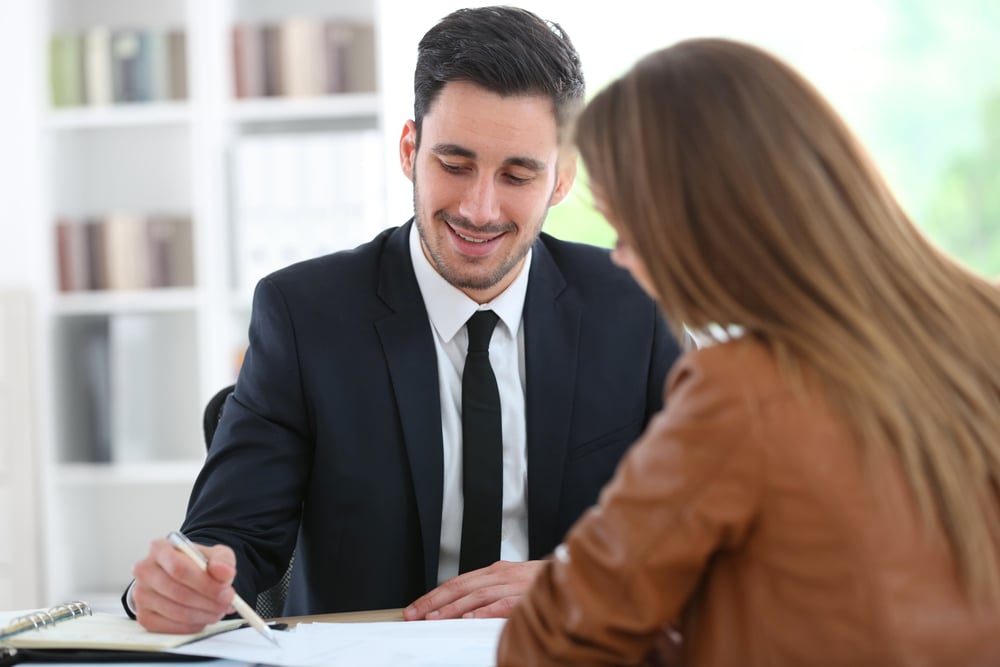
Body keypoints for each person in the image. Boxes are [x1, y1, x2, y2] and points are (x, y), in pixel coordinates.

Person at [125, 6, 680, 634]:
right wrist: (187, 585)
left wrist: (583, 581)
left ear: (562, 178)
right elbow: (229, 540)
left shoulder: (639, 303)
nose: (479, 208)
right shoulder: (304, 315)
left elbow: (706, 523)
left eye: (518, 174)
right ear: (410, 149)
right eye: (454, 164)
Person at [498, 37, 1000, 666]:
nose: (621, 259)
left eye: (629, 231)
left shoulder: (741, 390)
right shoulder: (987, 325)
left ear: (703, 221)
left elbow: (550, 646)